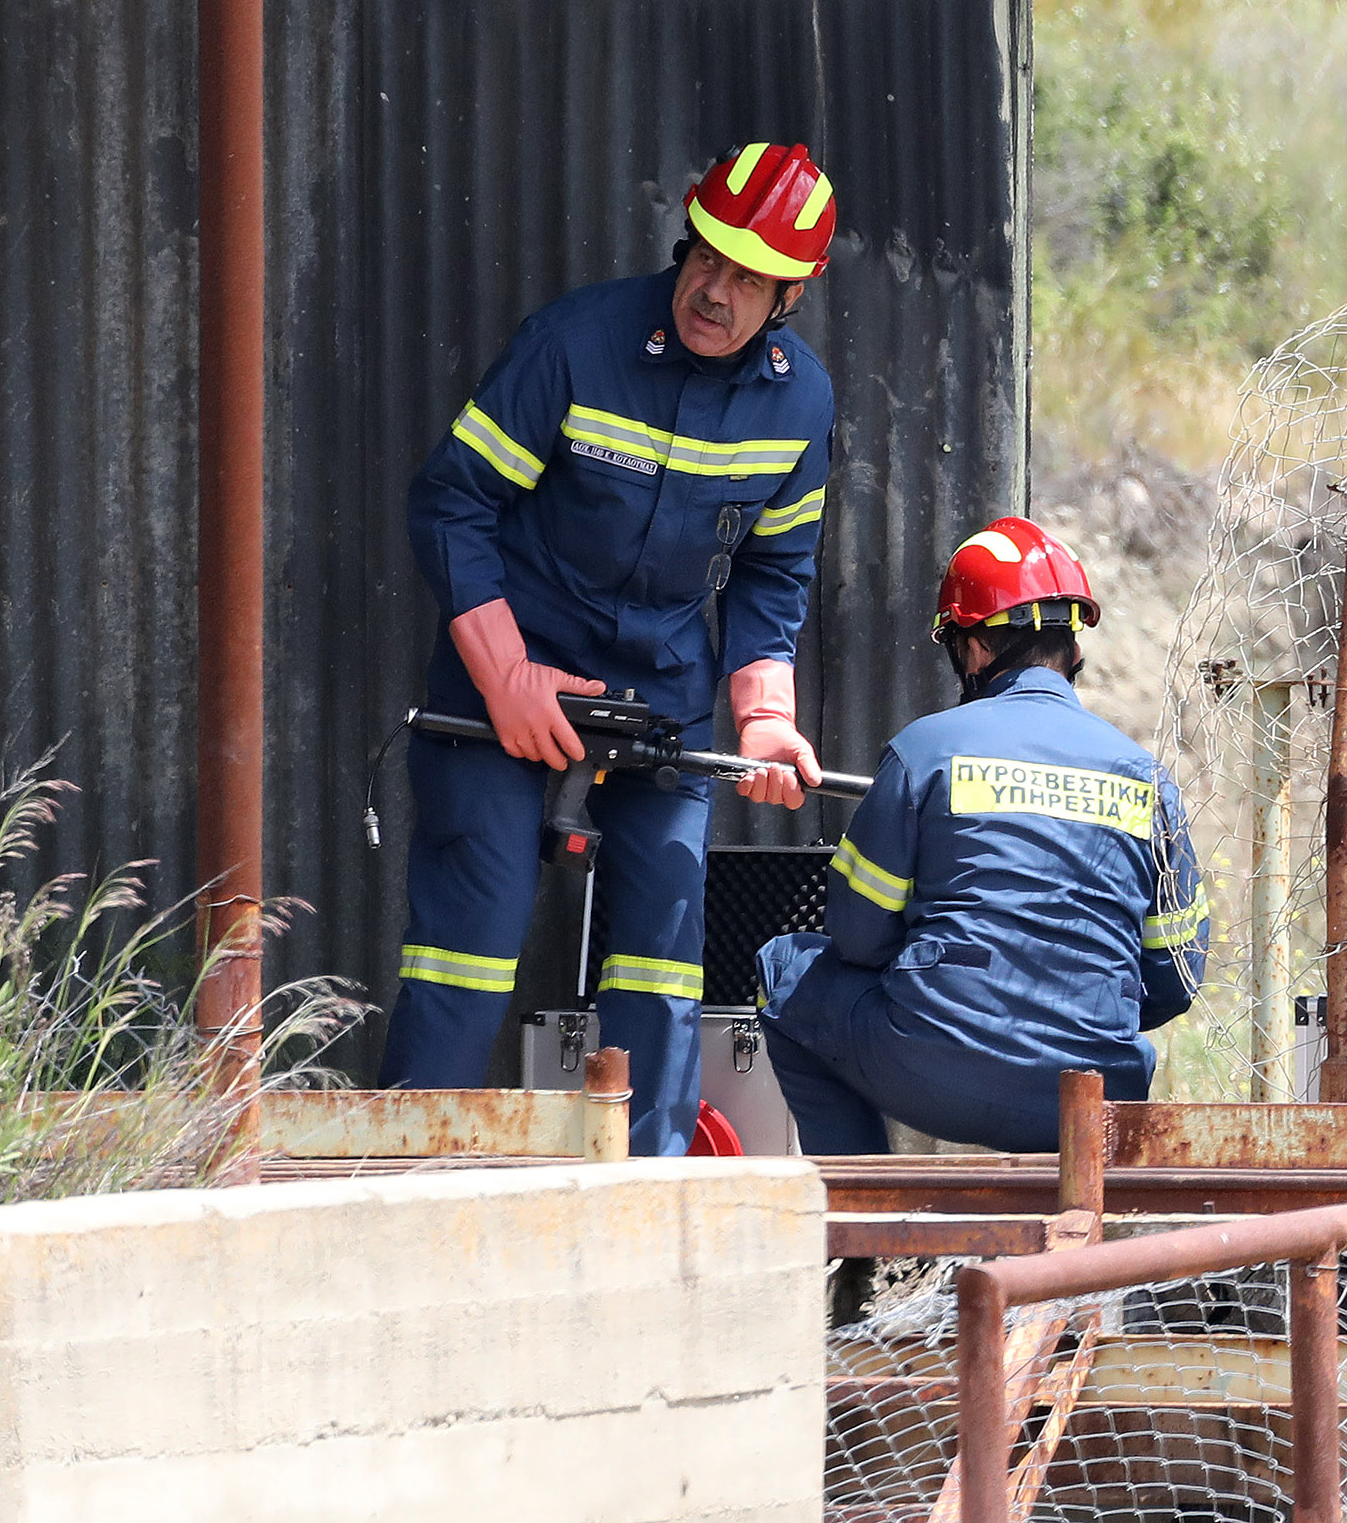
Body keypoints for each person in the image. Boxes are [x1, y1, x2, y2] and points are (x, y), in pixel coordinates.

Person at [383, 142, 842, 1154]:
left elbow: (774, 573)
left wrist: (764, 718)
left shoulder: (798, 403)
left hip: (661, 695)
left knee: (661, 952)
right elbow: (450, 503)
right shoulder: (572, 344)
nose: (711, 292)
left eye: (745, 278)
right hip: (508, 674)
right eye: (704, 259)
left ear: (792, 292)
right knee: (472, 939)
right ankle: (400, 1182)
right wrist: (504, 676)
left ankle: (642, 1194)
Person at [758, 517, 1209, 1158]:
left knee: (784, 972)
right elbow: (1175, 980)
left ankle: (862, 1222)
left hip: (938, 1076)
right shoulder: (1149, 781)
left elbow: (856, 937)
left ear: (971, 651)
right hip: (1095, 1104)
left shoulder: (926, 752)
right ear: (1074, 650)